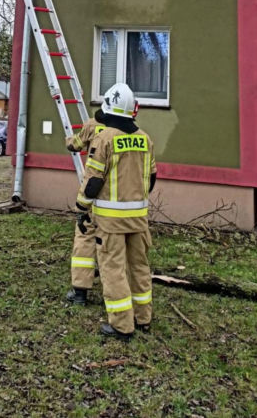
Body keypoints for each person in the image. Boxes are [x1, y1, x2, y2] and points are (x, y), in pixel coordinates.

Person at [74, 82, 156, 341]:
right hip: (139, 219)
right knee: (139, 267)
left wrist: (81, 208)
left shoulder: (105, 138)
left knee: (113, 270)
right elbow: (152, 179)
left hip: (110, 223)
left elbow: (93, 181)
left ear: (109, 108)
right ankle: (143, 318)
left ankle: (122, 325)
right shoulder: (145, 138)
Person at [64, 115, 105, 305]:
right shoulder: (128, 129)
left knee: (84, 238)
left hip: (93, 195)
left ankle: (80, 292)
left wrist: (68, 139)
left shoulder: (92, 124)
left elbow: (75, 145)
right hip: (116, 200)